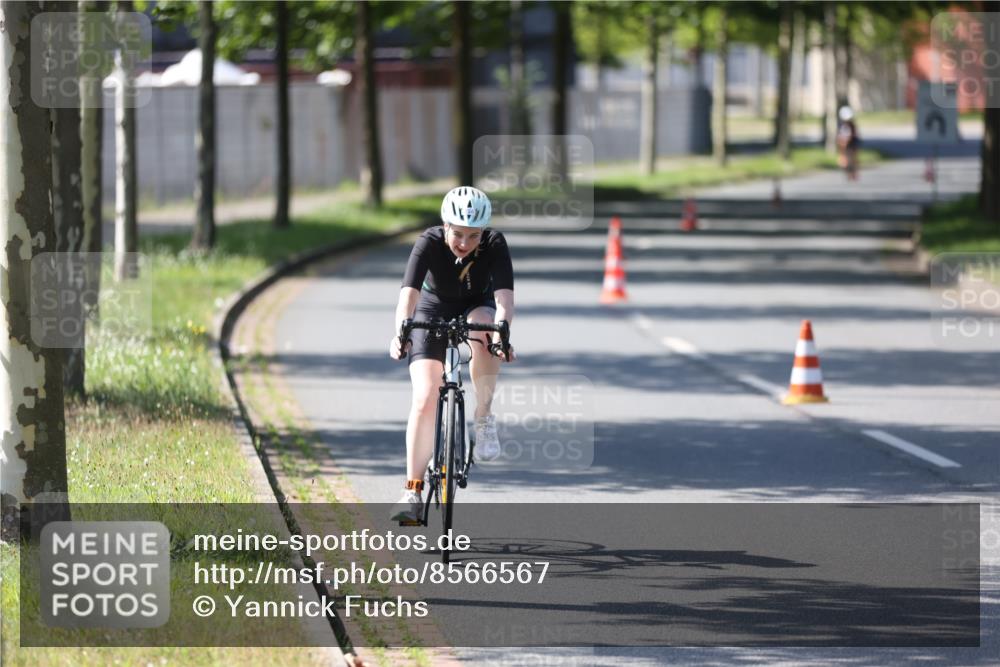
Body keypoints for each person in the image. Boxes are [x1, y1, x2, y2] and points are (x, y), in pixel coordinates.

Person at [388, 186, 516, 523]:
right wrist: (400, 332)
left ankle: (484, 416)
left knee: (485, 329)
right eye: (458, 233)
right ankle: (412, 491)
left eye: (473, 235)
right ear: (445, 225)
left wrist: (502, 334)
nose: (464, 243)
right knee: (424, 396)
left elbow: (504, 298)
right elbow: (408, 295)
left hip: (477, 306)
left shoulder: (494, 243)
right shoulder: (429, 242)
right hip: (432, 307)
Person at [836, 105, 860, 181]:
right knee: (845, 158)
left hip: (852, 144)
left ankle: (853, 172)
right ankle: (849, 172)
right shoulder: (841, 125)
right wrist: (841, 141)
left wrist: (848, 140)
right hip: (843, 144)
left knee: (852, 158)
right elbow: (840, 136)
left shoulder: (852, 125)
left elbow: (854, 135)